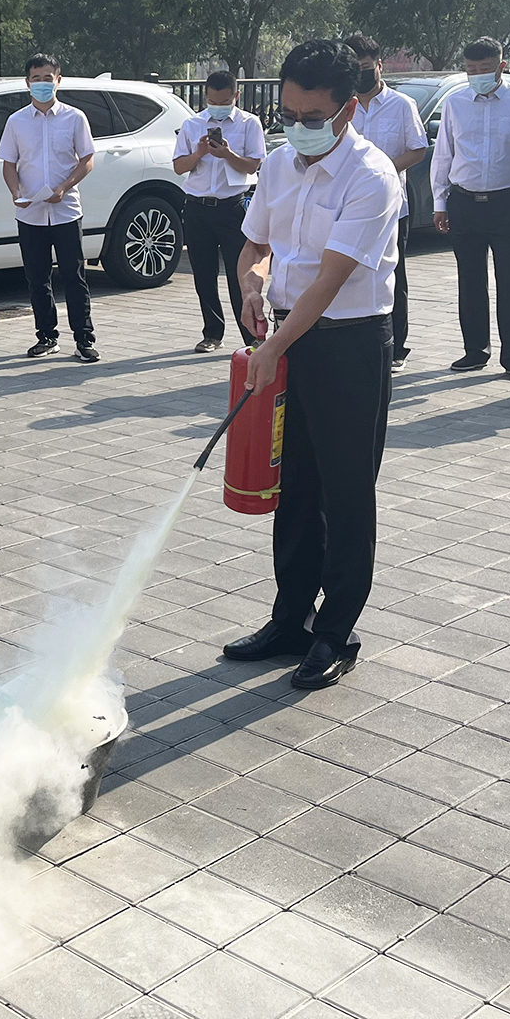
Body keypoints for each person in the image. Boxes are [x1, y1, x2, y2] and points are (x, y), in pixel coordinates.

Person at [221, 41, 402, 692]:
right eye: (289, 114)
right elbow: (256, 245)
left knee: (345, 489)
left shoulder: (372, 176)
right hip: (289, 339)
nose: (299, 127)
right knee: (293, 483)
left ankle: (336, 631)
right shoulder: (278, 164)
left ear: (348, 108)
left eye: (313, 116)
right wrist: (250, 284)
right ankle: (289, 618)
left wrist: (273, 348)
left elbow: (329, 280)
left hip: (349, 345)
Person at [430, 36, 510, 382]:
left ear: (501, 66)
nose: (478, 75)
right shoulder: (455, 103)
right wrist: (440, 202)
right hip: (464, 202)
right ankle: (475, 350)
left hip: (508, 202)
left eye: (485, 69)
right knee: (470, 280)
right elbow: (444, 154)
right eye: (471, 69)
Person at [0, 55, 99, 362]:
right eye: (36, 78)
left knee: (74, 276)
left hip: (66, 210)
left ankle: (84, 339)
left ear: (58, 80)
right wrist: (16, 192)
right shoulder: (16, 122)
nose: (42, 84)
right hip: (30, 213)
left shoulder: (74, 118)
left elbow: (87, 160)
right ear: (27, 83)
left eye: (47, 78)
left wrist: (64, 187)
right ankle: (46, 336)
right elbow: (9, 164)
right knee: (37, 278)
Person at [345, 35, 427, 365]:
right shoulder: (343, 106)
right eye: (355, 68)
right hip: (348, 206)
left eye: (366, 66)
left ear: (379, 65)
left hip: (392, 206)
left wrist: (382, 172)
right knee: (350, 274)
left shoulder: (401, 105)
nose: (361, 74)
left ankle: (396, 347)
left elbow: (417, 149)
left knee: (393, 276)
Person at [173, 70, 266, 353]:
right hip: (197, 206)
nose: (218, 106)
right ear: (206, 96)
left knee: (240, 275)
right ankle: (212, 332)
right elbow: (178, 167)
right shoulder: (192, 124)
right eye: (213, 101)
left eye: (224, 101)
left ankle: (251, 337)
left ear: (236, 96)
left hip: (231, 207)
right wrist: (198, 154)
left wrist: (227, 154)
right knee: (203, 273)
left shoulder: (249, 123)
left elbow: (253, 165)